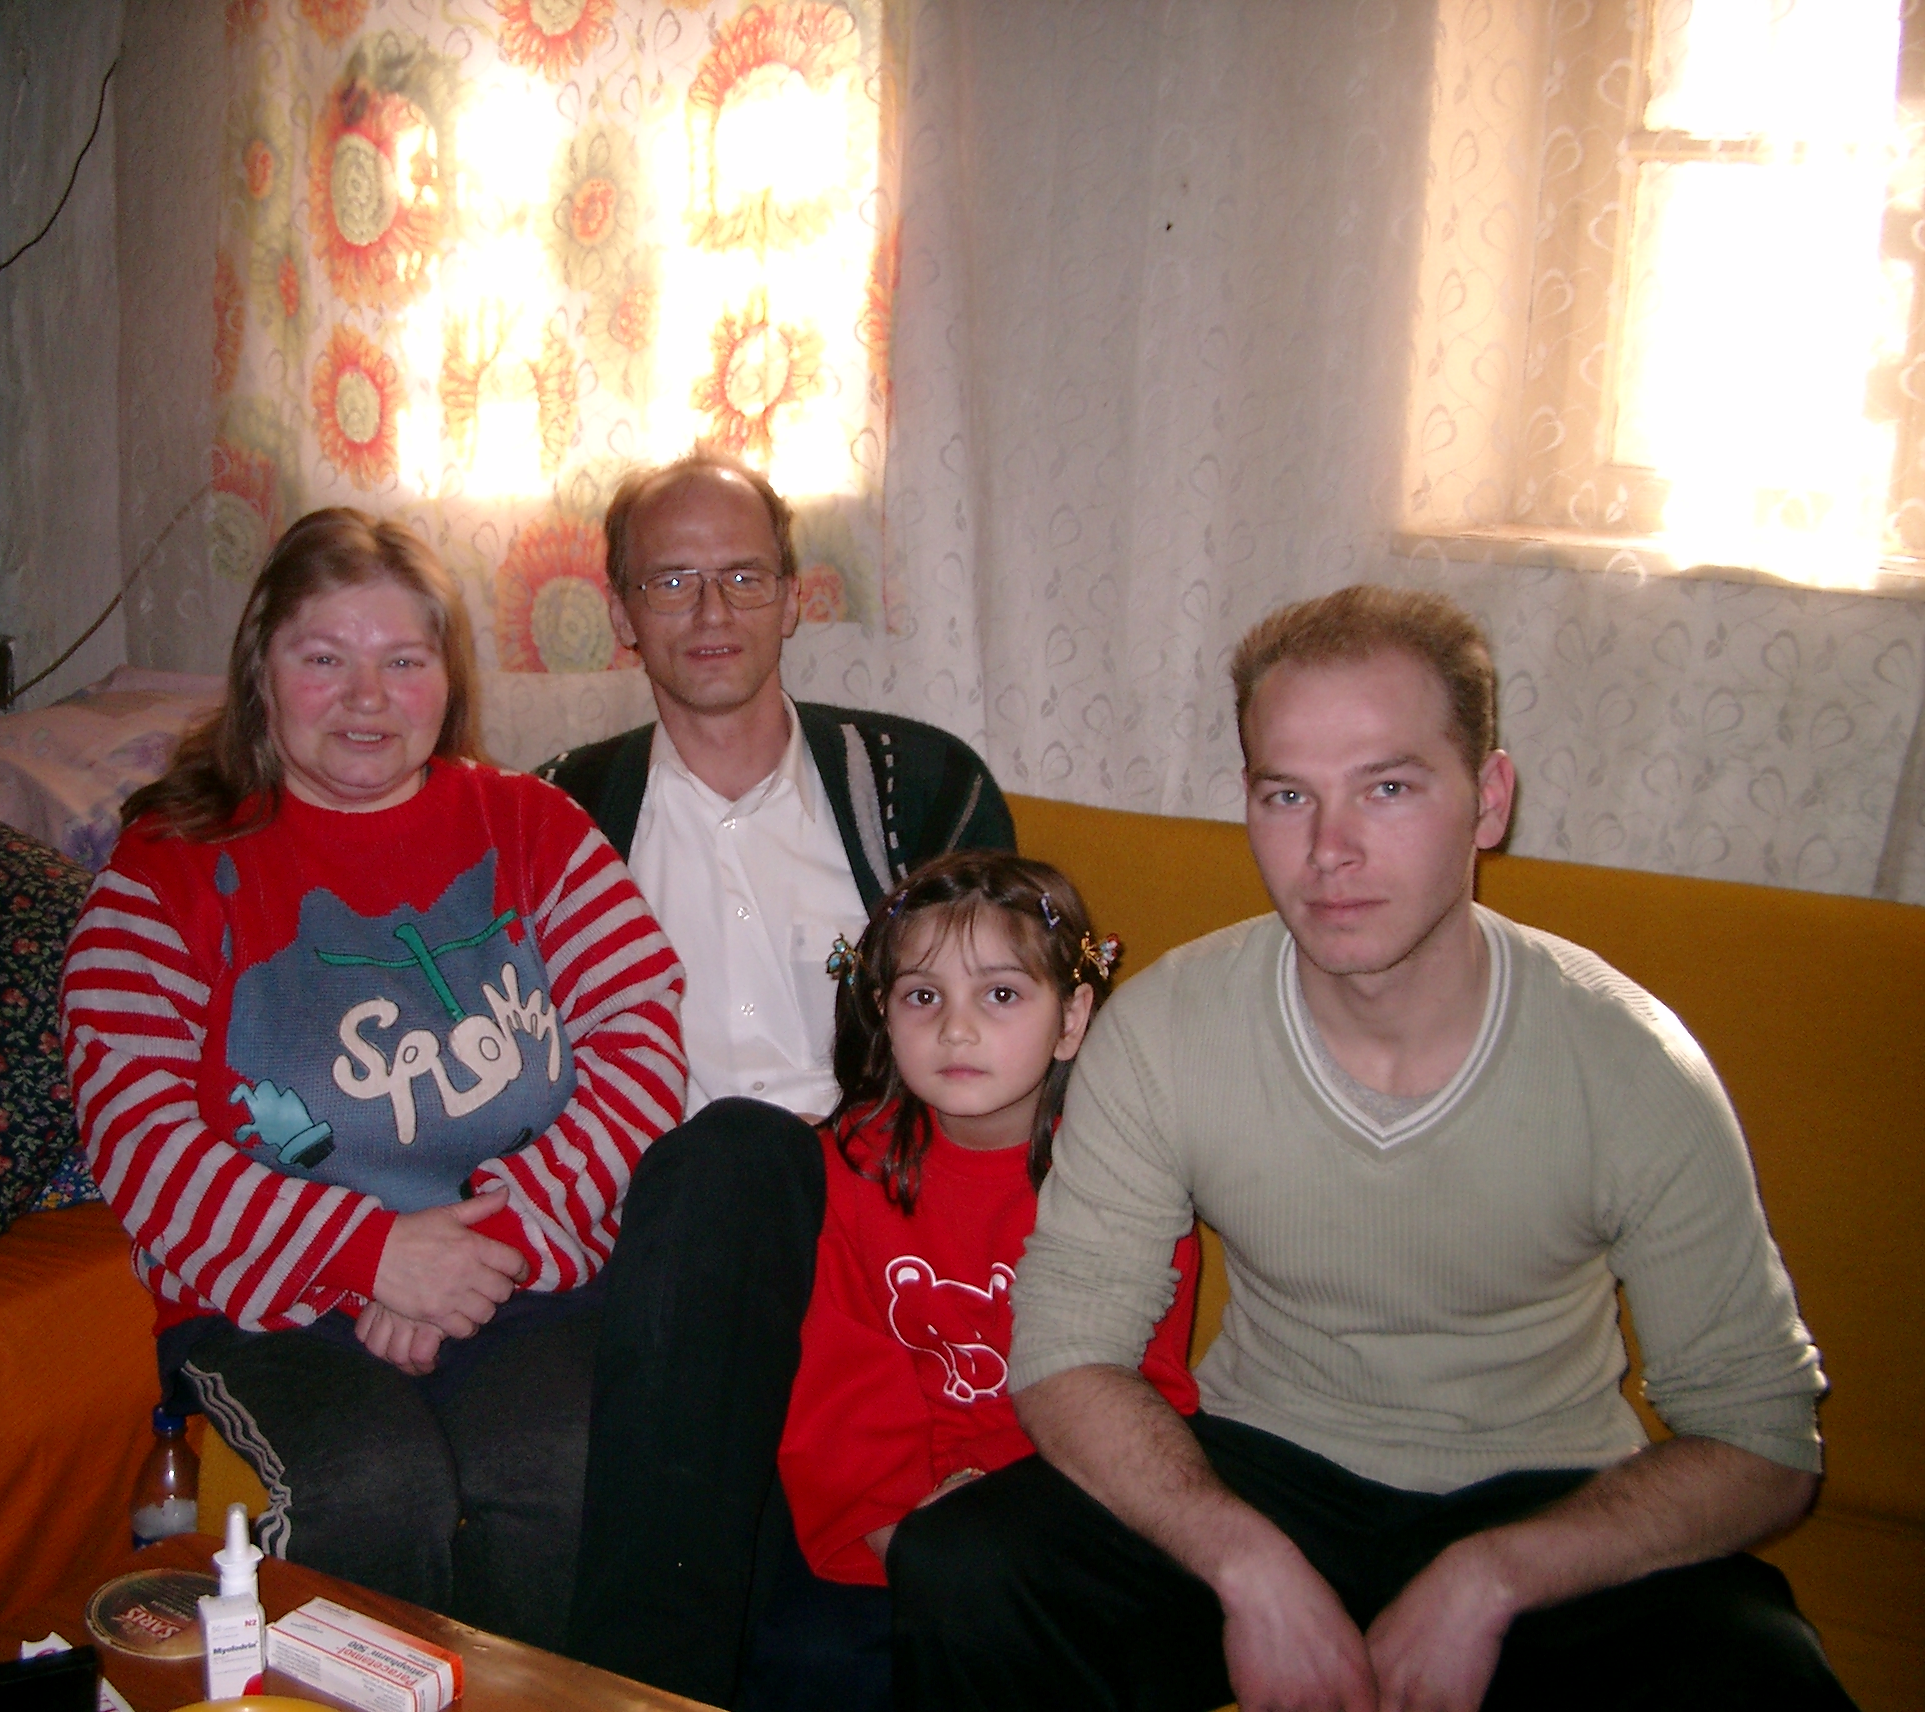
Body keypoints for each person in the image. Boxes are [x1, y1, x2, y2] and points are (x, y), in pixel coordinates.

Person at [889, 585, 1852, 1711]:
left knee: (1763, 1674)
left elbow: (1761, 1433)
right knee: (964, 1569)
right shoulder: (1166, 1029)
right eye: (1287, 794)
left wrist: (1495, 1577)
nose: (1329, 850)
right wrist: (1245, 1564)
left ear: (1489, 800)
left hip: (1546, 1491)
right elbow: (1066, 1348)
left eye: (1388, 787)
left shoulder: (1631, 1063)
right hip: (1261, 1464)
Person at [59, 509, 684, 1651]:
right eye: (324, 657)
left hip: (518, 1274)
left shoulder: (532, 826)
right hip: (270, 1305)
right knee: (373, 1487)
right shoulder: (164, 868)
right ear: (261, 671)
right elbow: (139, 1140)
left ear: (447, 678)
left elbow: (641, 1043)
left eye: (403, 660)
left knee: (568, 1464)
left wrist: (490, 1245)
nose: (366, 697)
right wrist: (372, 1252)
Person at [546, 449, 1018, 1703]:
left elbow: (1010, 1039)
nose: (711, 611)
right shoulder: (559, 814)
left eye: (744, 576)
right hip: (664, 1234)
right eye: (672, 580)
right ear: (621, 610)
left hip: (885, 1216)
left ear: (795, 595)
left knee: (751, 1152)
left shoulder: (922, 787)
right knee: (733, 1156)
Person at [760, 851, 1201, 1712]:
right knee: (805, 1664)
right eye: (923, 997)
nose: (956, 1030)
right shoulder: (842, 1170)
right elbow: (837, 1397)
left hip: (1060, 1510)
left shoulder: (1128, 1176)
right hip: (883, 1520)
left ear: (1072, 1018)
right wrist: (910, 1537)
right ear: (882, 1013)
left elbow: (1145, 1392)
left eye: (1000, 994)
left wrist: (989, 1532)